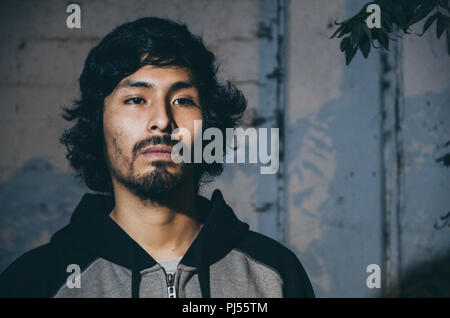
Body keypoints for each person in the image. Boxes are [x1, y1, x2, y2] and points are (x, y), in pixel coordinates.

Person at [0, 17, 314, 298]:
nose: (162, 120)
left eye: (182, 100)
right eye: (136, 99)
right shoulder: (35, 282)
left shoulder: (275, 276)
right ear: (99, 124)